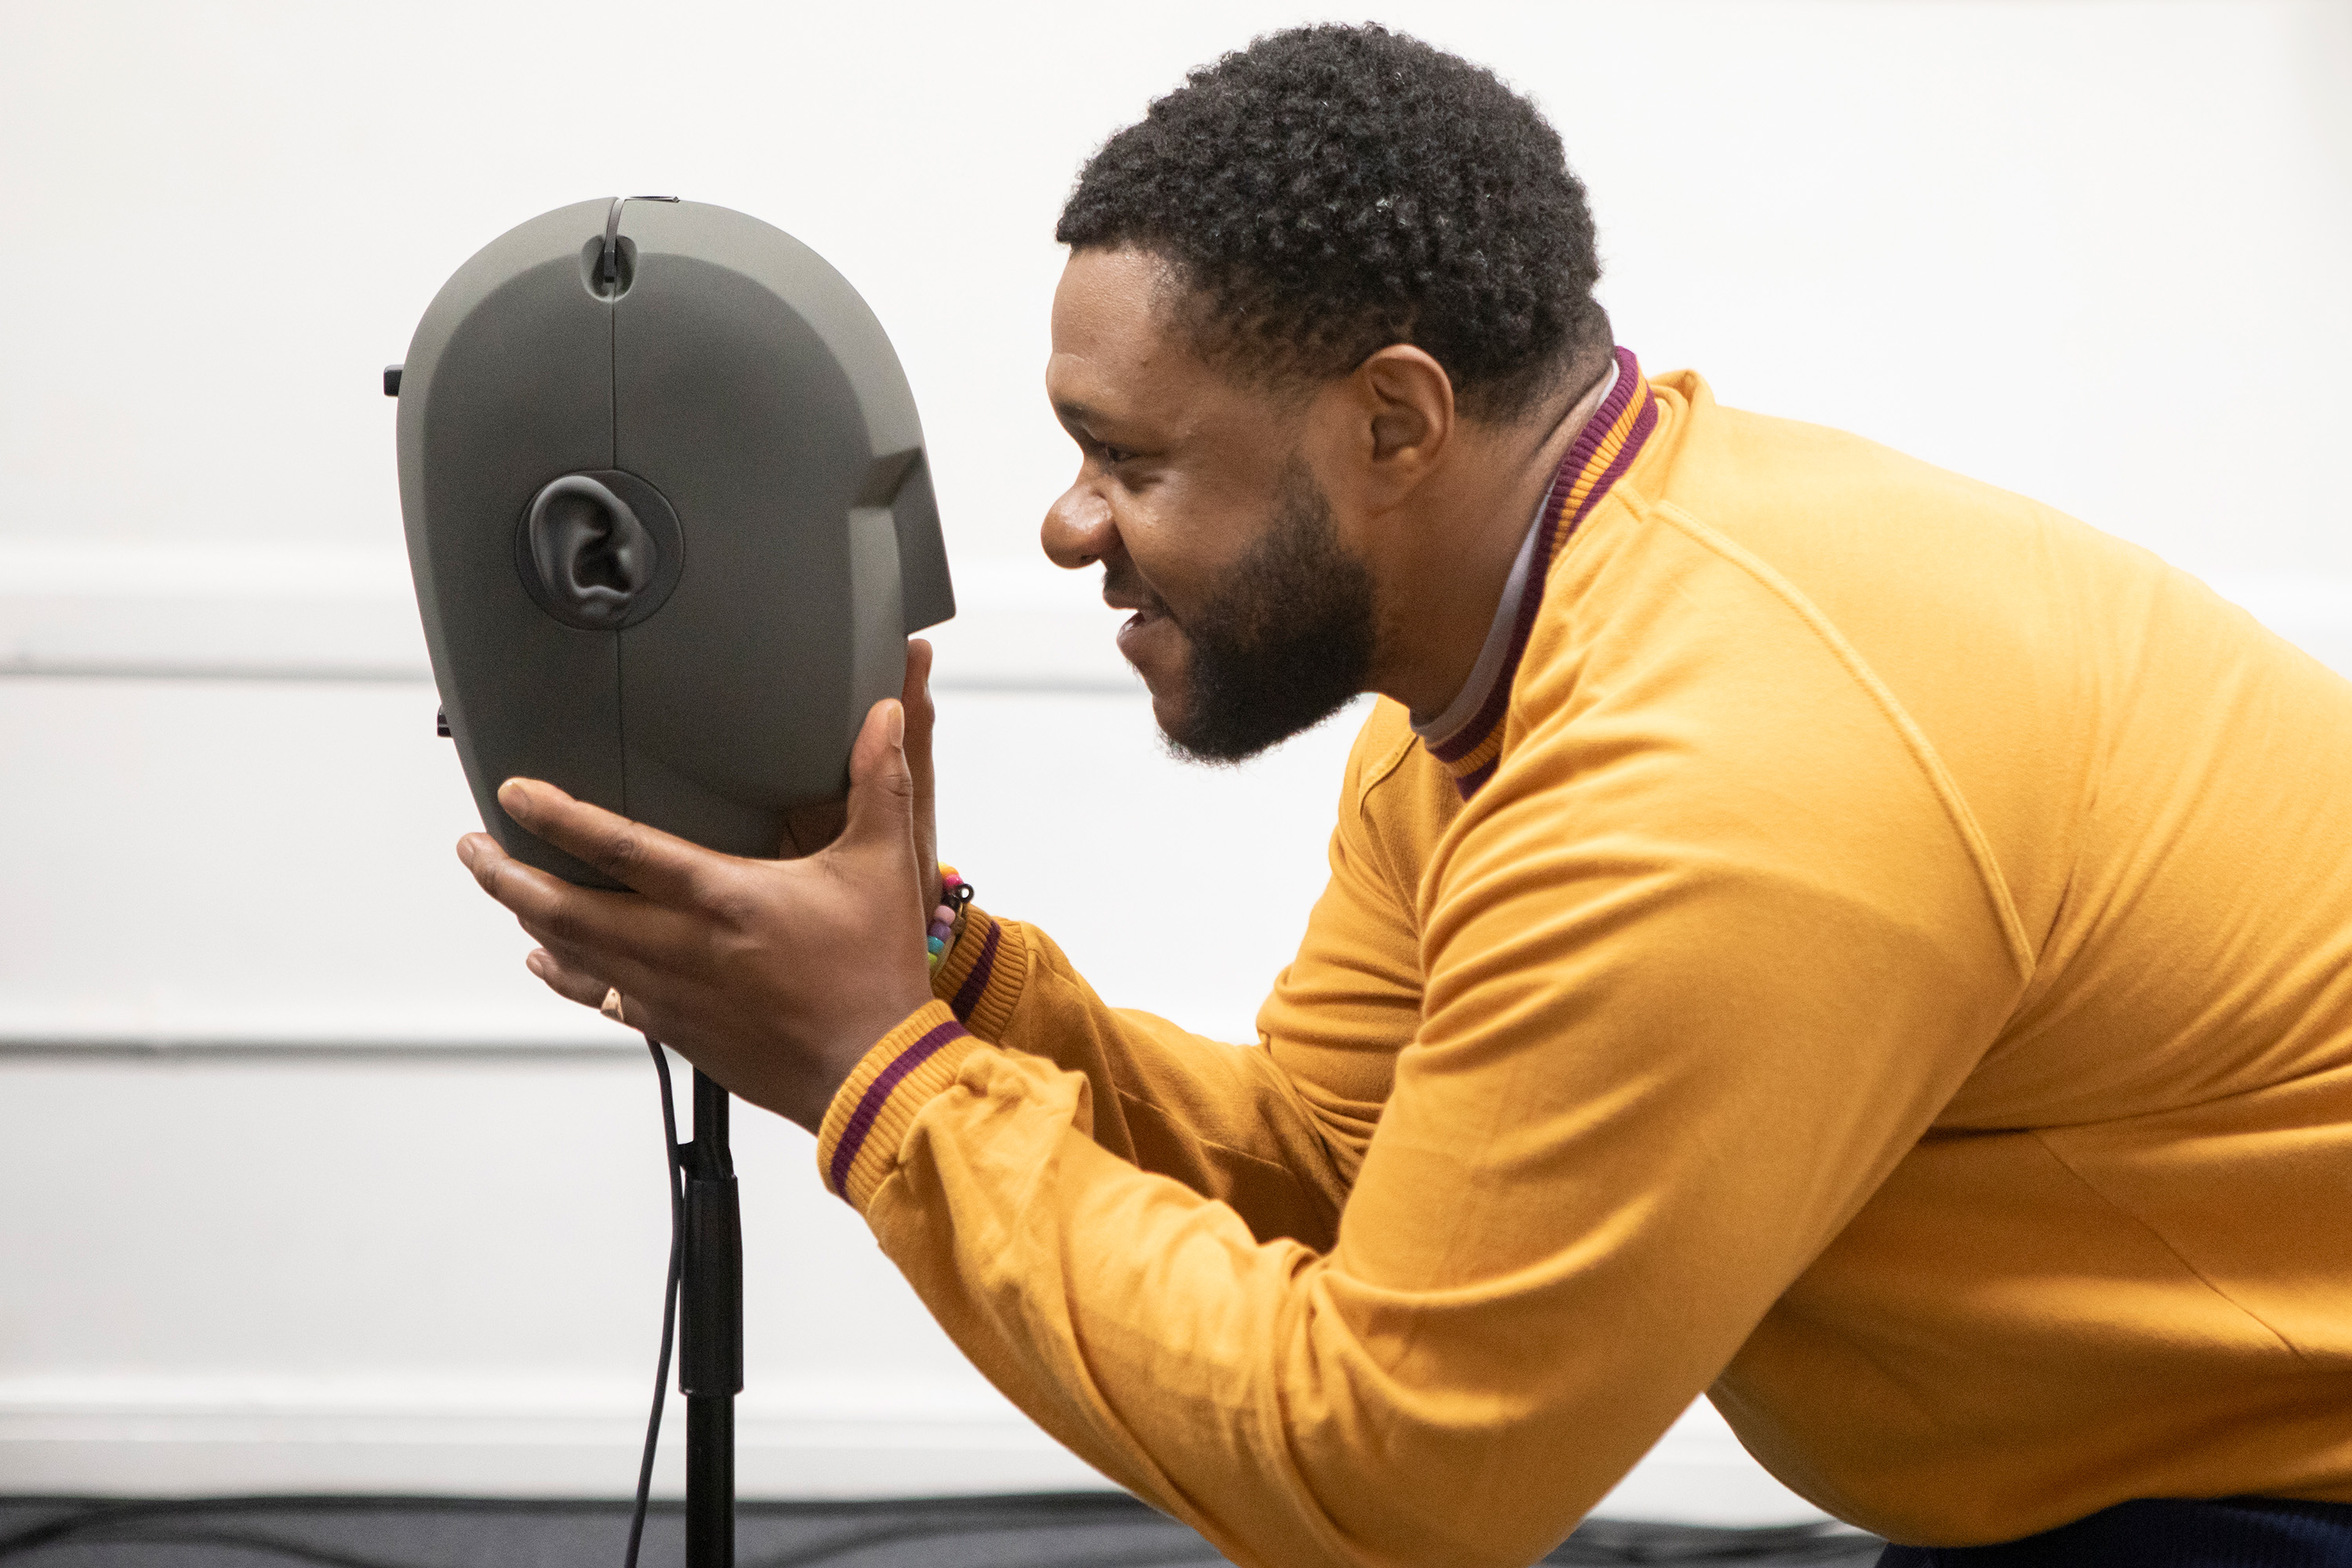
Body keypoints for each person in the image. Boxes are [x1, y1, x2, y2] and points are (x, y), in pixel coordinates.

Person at [458, 24, 2352, 1568]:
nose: (1066, 525)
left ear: (1394, 422)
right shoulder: (1517, 655)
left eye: (1129, 459)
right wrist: (935, 976)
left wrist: (878, 1076)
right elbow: (1334, 1173)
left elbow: (1397, 1484)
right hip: (2127, 1476)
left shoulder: (1703, 785)